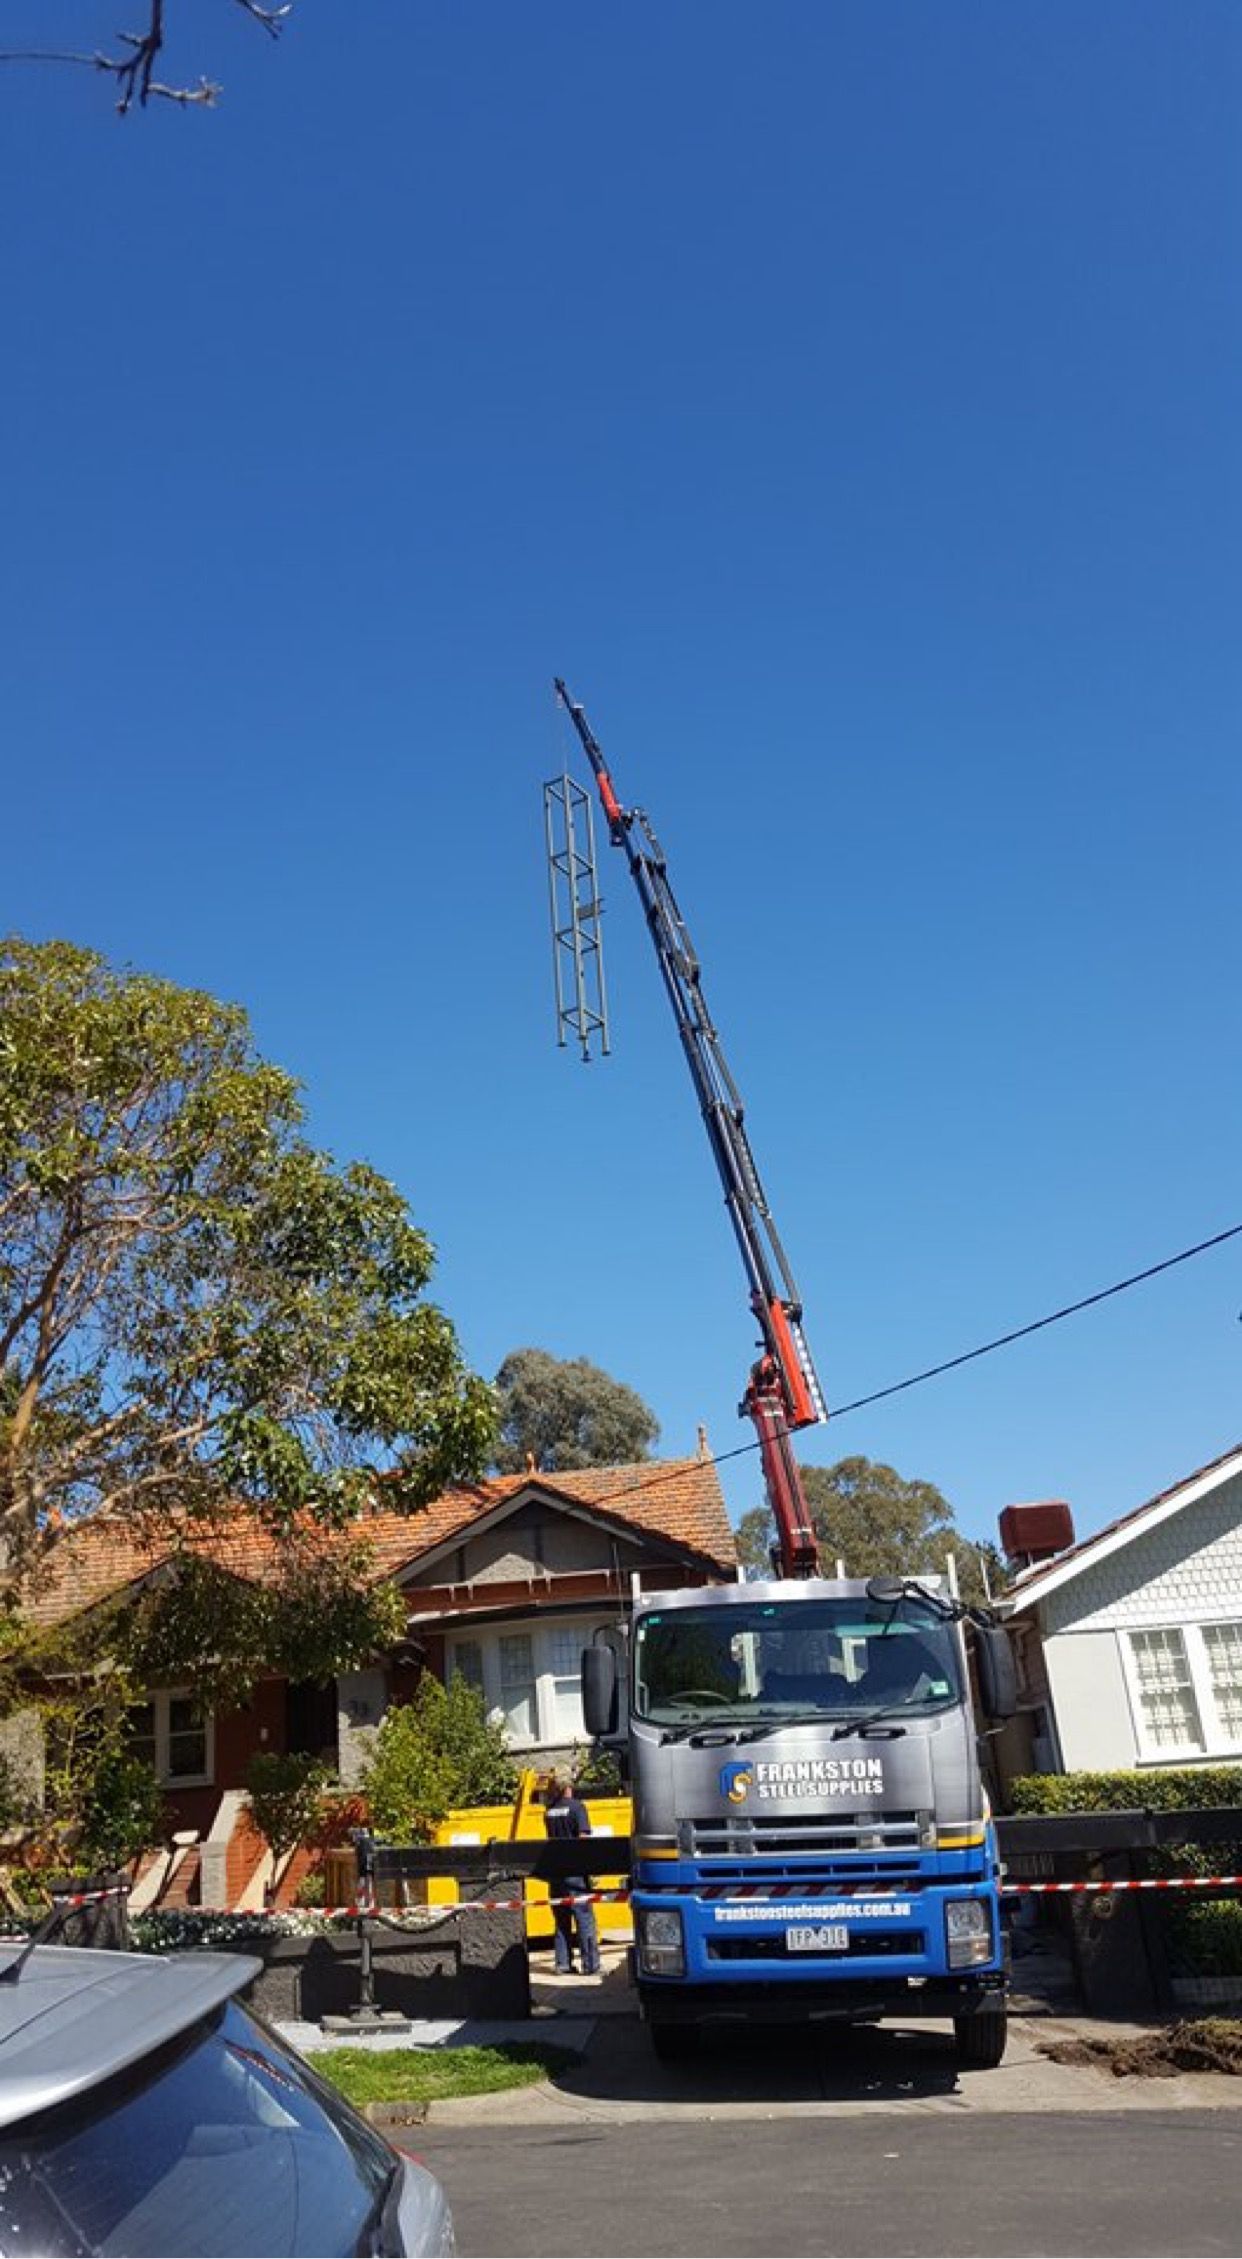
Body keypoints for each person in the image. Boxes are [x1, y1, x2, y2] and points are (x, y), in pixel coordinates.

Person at [543, 1766, 601, 1976]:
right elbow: (583, 1840)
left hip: (555, 1872)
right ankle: (591, 1965)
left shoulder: (548, 1811)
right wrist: (591, 1870)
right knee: (584, 1918)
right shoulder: (578, 1808)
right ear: (569, 1785)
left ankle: (563, 1964)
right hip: (575, 1872)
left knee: (561, 1919)